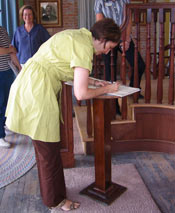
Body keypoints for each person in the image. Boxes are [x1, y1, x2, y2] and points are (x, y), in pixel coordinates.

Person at [5, 18, 121, 212]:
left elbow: (69, 68)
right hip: (37, 90)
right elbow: (81, 94)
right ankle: (56, 201)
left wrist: (93, 82)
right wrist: (107, 88)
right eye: (110, 47)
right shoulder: (84, 48)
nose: (108, 52)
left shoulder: (78, 36)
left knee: (46, 149)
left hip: (31, 83)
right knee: (48, 152)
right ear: (102, 39)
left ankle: (54, 195)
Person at [94, 0, 145, 99]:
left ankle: (133, 90)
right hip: (108, 39)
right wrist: (112, 40)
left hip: (124, 37)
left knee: (140, 65)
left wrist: (126, 39)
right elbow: (101, 23)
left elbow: (129, 20)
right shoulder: (99, 1)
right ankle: (114, 103)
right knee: (110, 72)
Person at [0, 25, 21, 148]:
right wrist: (9, 50)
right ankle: (0, 136)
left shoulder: (2, 30)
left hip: (7, 71)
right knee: (0, 104)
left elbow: (12, 51)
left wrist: (19, 67)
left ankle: (4, 125)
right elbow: (8, 50)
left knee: (7, 103)